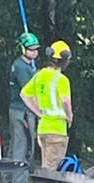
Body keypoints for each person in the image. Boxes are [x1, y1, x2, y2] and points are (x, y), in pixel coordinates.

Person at [20, 40, 73, 170]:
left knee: (46, 167)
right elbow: (66, 101)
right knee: (53, 172)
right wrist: (69, 116)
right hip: (57, 130)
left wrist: (38, 112)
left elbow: (24, 94)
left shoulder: (39, 75)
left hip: (43, 129)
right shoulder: (61, 79)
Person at [8, 32, 40, 183]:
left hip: (23, 110)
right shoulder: (21, 67)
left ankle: (11, 179)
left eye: (36, 49)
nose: (34, 52)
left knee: (18, 145)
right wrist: (38, 110)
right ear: (23, 49)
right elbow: (28, 92)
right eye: (31, 49)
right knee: (23, 147)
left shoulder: (27, 66)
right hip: (22, 112)